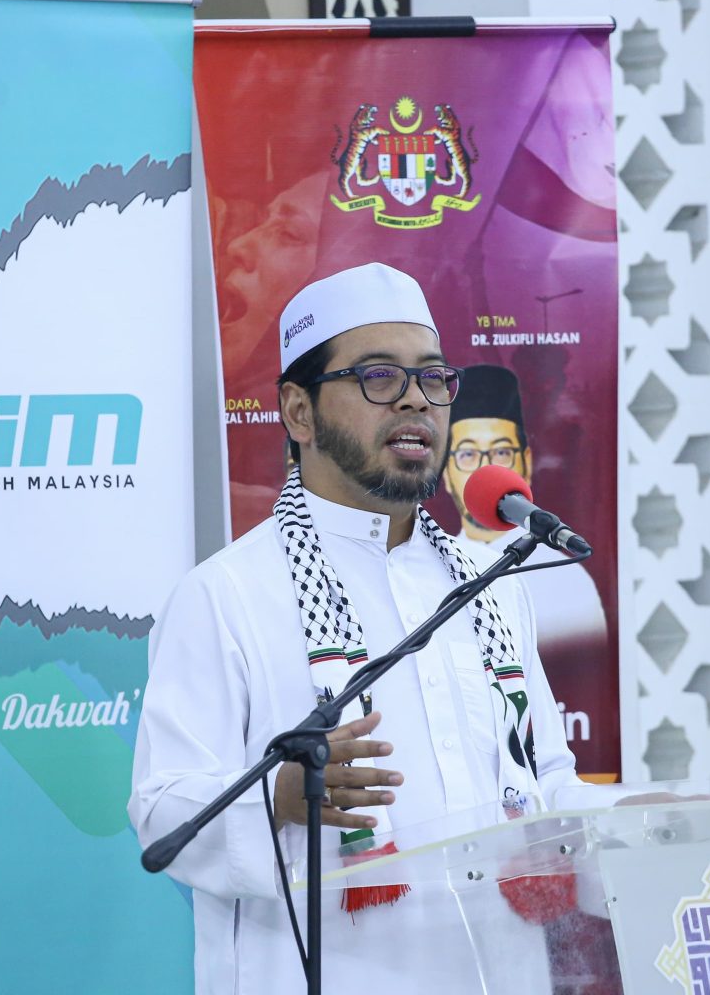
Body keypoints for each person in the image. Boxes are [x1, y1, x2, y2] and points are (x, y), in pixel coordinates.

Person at [128, 263, 592, 995]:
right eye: (379, 376)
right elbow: (163, 815)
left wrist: (653, 818)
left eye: (433, 378)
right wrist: (280, 796)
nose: (415, 399)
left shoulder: (489, 587)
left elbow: (547, 785)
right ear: (299, 412)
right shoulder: (226, 596)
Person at [441, 363, 607, 651]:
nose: (485, 467)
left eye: (501, 452)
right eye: (467, 454)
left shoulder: (569, 581)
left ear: (526, 462)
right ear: (446, 472)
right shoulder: (427, 565)